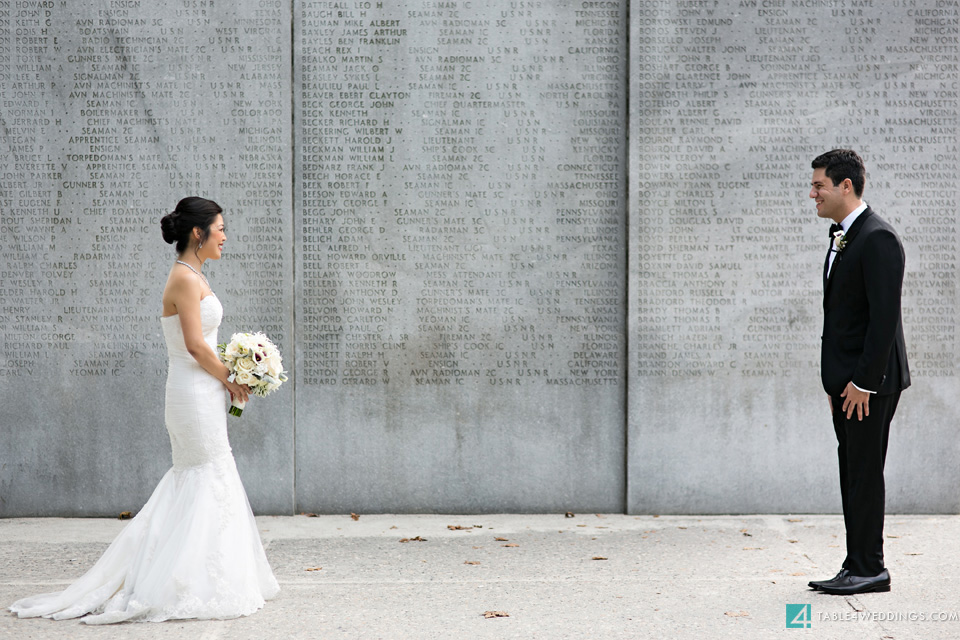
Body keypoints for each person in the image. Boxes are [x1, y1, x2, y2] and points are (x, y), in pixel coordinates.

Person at [9, 197, 279, 623]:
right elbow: (193, 345)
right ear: (198, 233)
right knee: (203, 474)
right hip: (192, 391)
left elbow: (204, 344)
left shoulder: (193, 274)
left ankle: (209, 573)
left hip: (201, 388)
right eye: (221, 228)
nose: (226, 236)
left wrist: (240, 368)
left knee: (206, 475)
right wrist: (232, 376)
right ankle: (180, 580)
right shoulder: (185, 279)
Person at [805, 150, 910, 596]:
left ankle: (870, 568)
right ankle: (857, 562)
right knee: (853, 472)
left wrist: (863, 383)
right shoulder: (845, 236)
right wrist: (837, 382)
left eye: (819, 186)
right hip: (848, 385)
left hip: (871, 384)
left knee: (864, 473)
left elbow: (883, 320)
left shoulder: (878, 238)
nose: (812, 193)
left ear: (845, 186)